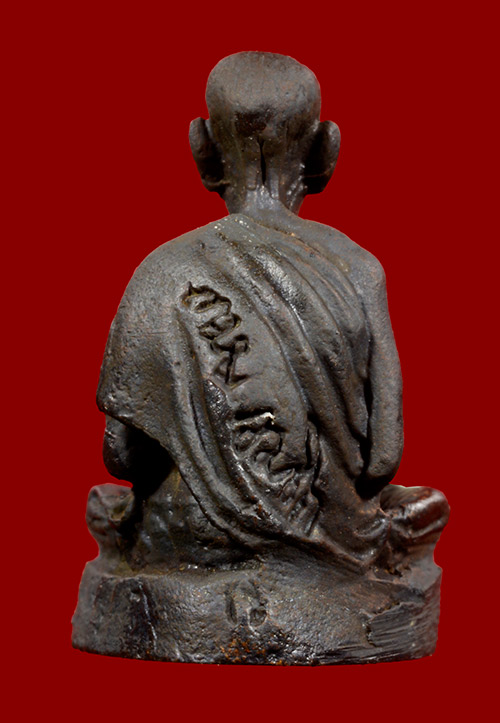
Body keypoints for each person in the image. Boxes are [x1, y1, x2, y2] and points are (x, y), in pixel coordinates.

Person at [94, 52, 448, 572]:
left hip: (187, 541)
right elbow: (382, 459)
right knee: (425, 505)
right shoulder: (359, 271)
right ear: (326, 150)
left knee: (110, 505)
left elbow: (122, 457)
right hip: (335, 536)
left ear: (201, 147)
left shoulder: (163, 271)